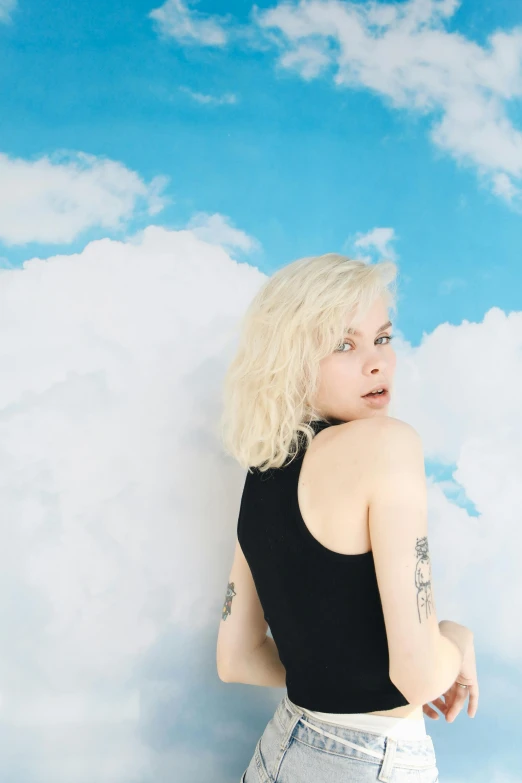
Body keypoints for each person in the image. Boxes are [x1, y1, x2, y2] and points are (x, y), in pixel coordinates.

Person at [217, 253, 479, 782]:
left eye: (382, 338)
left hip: (279, 752)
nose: (377, 363)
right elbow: (419, 674)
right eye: (343, 345)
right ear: (289, 360)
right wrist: (455, 639)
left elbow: (237, 658)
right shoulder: (387, 443)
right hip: (370, 763)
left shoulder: (264, 469)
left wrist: (341, 674)